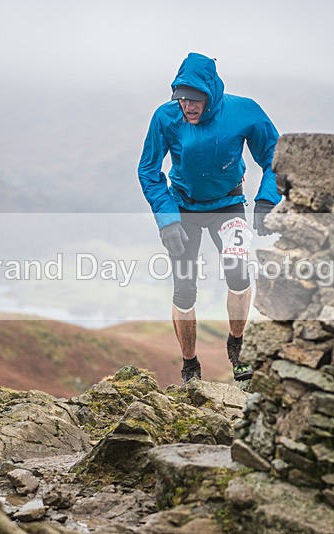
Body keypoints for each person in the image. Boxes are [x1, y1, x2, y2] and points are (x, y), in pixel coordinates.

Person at [137, 52, 281, 385]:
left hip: (228, 205)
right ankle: (190, 366)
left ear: (211, 94)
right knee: (184, 288)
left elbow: (273, 156)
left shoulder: (243, 111)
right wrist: (167, 219)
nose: (188, 106)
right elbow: (148, 169)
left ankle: (237, 347)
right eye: (182, 98)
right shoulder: (165, 117)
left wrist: (266, 200)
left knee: (238, 272)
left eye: (195, 99)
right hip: (183, 208)